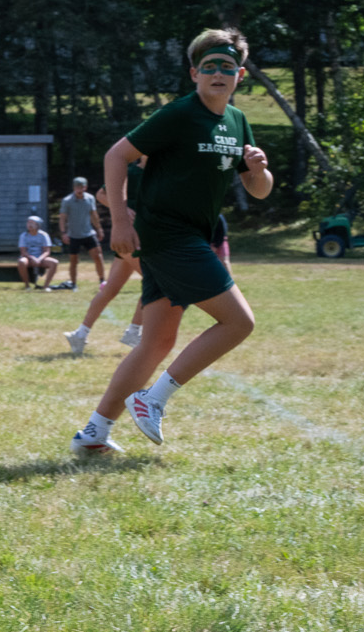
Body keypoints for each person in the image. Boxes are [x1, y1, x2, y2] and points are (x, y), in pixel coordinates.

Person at [71, 27, 270, 454]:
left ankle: (93, 434)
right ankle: (153, 399)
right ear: (194, 73)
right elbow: (116, 155)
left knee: (157, 341)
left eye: (228, 67)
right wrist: (120, 220)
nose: (218, 74)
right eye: (209, 66)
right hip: (167, 236)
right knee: (239, 322)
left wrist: (258, 170)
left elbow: (259, 190)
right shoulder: (180, 113)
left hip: (188, 236)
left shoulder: (237, 121)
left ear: (240, 76)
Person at [65, 165, 144, 357]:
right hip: (130, 238)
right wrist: (122, 210)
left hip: (141, 237)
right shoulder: (131, 171)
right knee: (158, 281)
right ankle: (134, 332)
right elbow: (101, 194)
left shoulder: (161, 171)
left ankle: (80, 334)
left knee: (110, 289)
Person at [58, 177, 104, 289]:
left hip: (88, 233)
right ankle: (73, 284)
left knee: (98, 256)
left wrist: (99, 229)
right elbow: (62, 218)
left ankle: (102, 281)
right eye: (77, 187)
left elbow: (93, 215)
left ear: (85, 187)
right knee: (74, 261)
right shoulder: (67, 201)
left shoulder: (90, 198)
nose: (80, 189)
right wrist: (63, 233)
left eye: (82, 187)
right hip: (73, 235)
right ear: (74, 188)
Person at [17, 216, 61, 288]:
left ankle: (46, 286)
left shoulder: (44, 235)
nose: (29, 225)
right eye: (28, 222)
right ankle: (27, 285)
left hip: (41, 258)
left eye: (32, 223)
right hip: (28, 258)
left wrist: (39, 259)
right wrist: (32, 258)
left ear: (38, 225)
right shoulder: (23, 235)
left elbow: (47, 251)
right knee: (21, 261)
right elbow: (23, 252)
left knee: (54, 262)